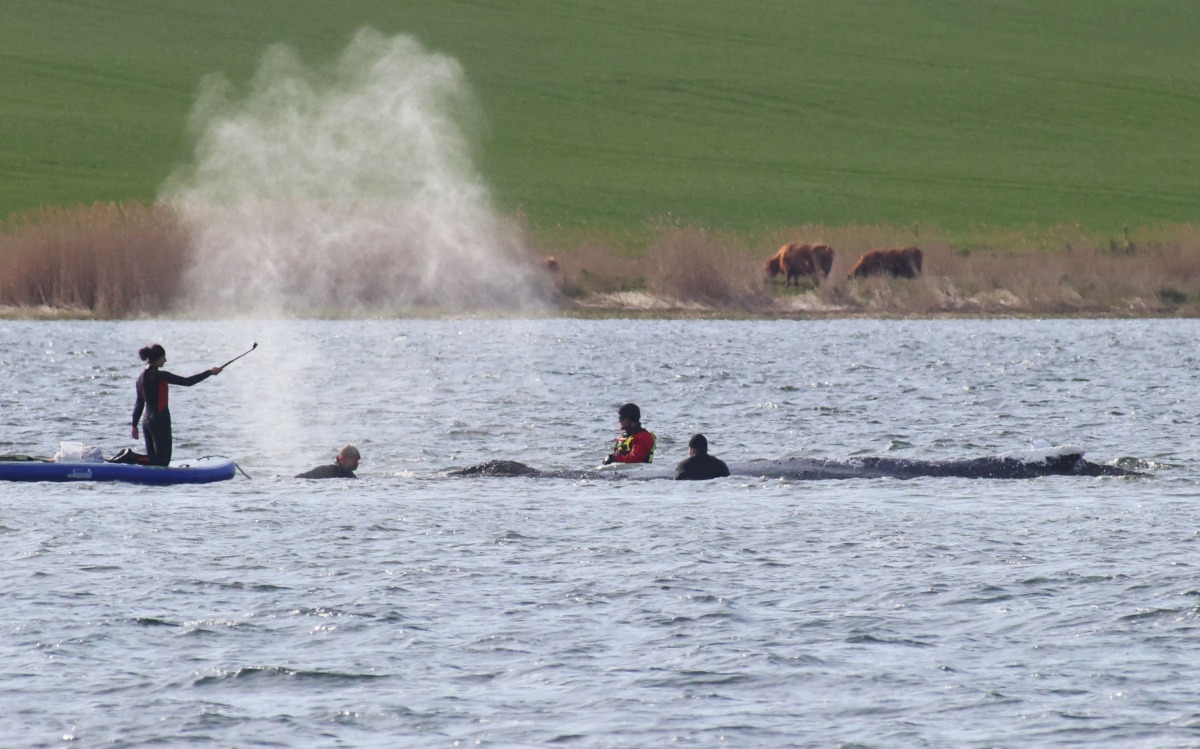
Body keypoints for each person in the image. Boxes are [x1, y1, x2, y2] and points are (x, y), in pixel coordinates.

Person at [131, 344, 222, 467]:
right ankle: (132, 457)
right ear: (158, 358)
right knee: (163, 461)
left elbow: (139, 403)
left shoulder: (140, 379)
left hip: (146, 422)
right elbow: (187, 382)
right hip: (159, 421)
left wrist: (134, 425)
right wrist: (210, 372)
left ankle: (135, 459)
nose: (165, 360)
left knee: (152, 462)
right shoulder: (159, 376)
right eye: (164, 357)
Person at [296, 445, 361, 479]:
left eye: (357, 460)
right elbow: (301, 477)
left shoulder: (350, 475)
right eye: (354, 459)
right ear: (343, 459)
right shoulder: (326, 470)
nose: (356, 462)